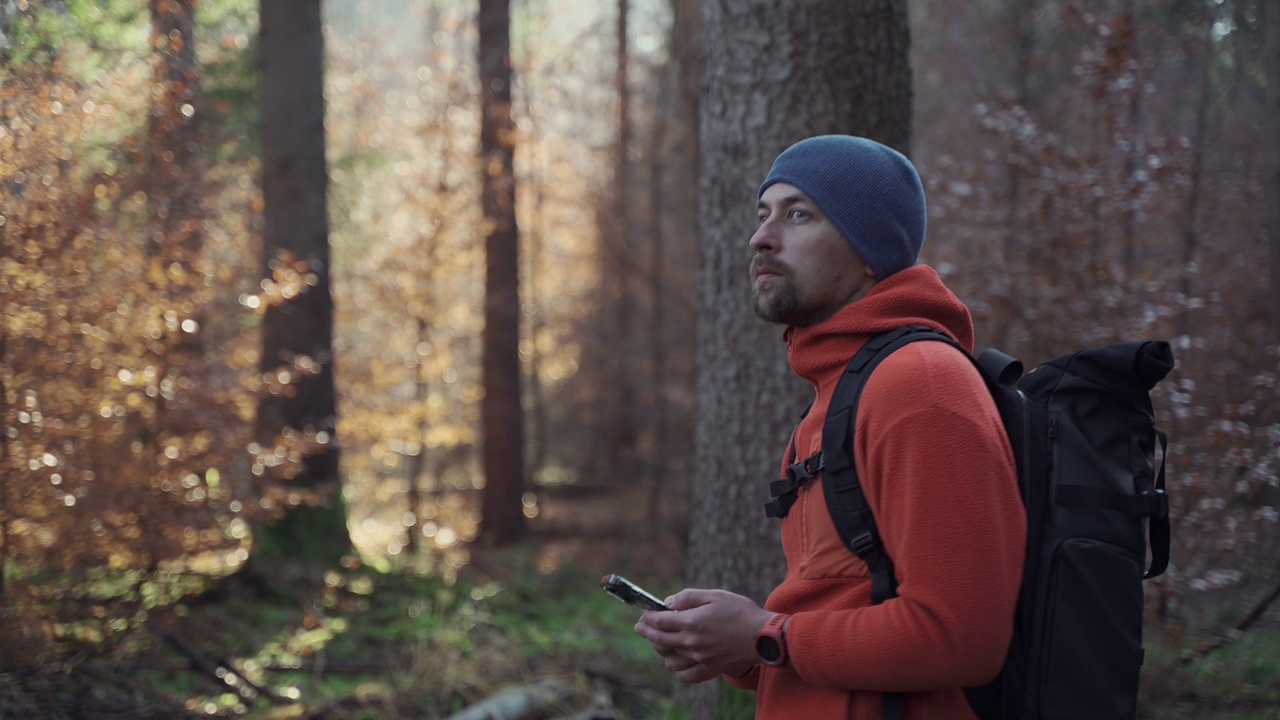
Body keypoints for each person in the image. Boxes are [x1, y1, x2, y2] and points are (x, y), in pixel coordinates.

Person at [633, 135, 1027, 719]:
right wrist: (740, 649)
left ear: (870, 250)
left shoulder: (921, 386)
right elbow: (848, 607)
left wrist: (765, 636)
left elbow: (960, 637)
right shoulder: (842, 390)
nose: (761, 238)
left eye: (798, 215)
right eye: (763, 214)